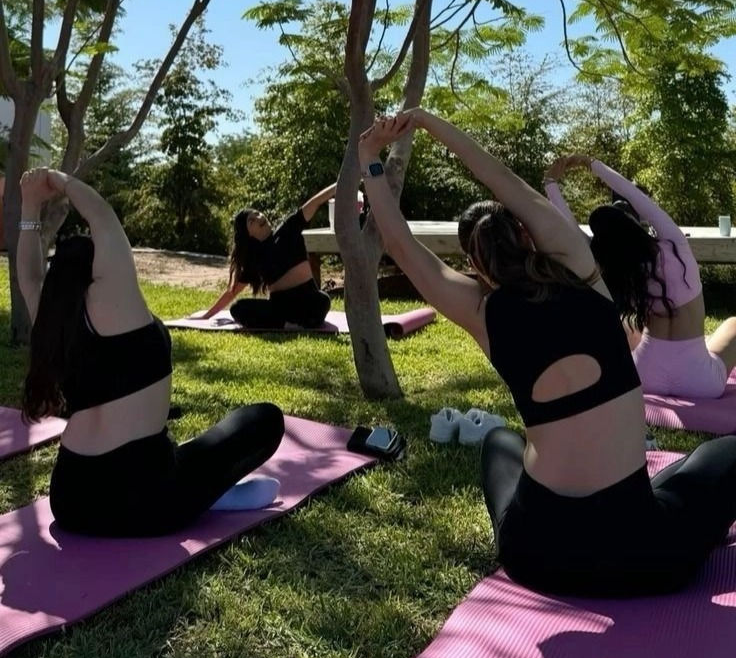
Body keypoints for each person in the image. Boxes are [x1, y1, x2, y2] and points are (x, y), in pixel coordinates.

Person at [358, 111, 736, 597]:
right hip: (643, 558)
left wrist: (371, 160)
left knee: (500, 443)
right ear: (527, 233)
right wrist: (428, 122)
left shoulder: (480, 312)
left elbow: (399, 243)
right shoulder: (582, 268)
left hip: (536, 555)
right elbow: (499, 177)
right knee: (719, 456)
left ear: (473, 265)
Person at [17, 168, 285, 537]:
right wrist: (58, 180)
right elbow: (102, 216)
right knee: (264, 419)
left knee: (185, 457)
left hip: (70, 499)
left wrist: (30, 205)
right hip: (142, 498)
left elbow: (29, 275)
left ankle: (199, 487)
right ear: (97, 268)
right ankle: (208, 494)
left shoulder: (50, 321)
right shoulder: (115, 299)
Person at [544, 155, 736, 397]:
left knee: (627, 325)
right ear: (634, 226)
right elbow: (637, 197)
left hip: (643, 376)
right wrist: (591, 164)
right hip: (700, 383)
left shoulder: (616, 269)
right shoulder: (675, 244)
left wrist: (551, 184)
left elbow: (569, 232)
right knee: (733, 324)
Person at [200, 184, 338, 329]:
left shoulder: (288, 228)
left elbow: (316, 202)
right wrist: (206, 316)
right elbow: (232, 292)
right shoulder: (255, 258)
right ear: (248, 234)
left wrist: (341, 183)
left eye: (257, 213)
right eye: (251, 220)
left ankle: (290, 324)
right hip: (281, 308)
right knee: (238, 308)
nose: (259, 217)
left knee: (322, 299)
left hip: (307, 300)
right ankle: (289, 324)